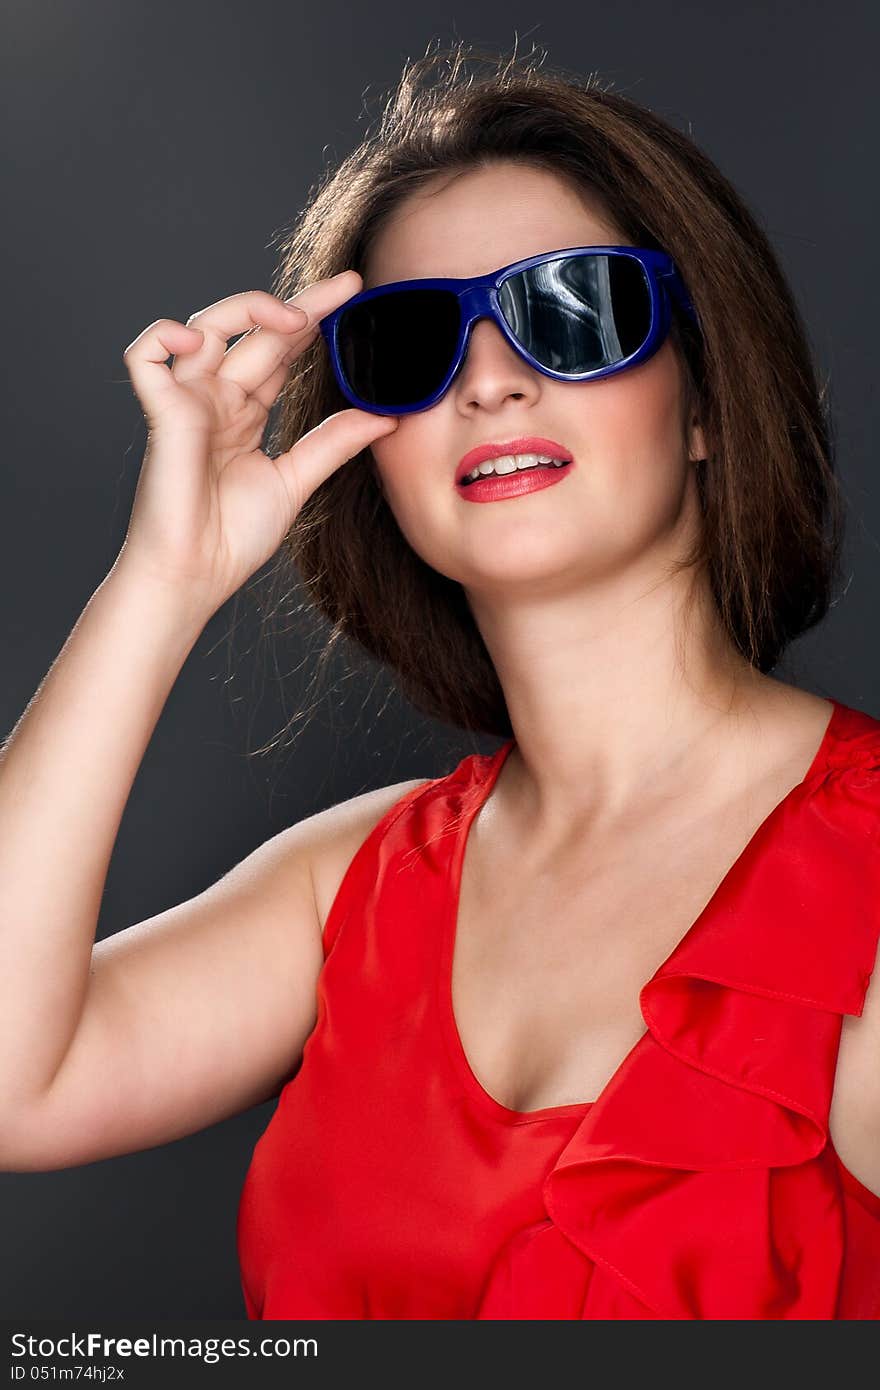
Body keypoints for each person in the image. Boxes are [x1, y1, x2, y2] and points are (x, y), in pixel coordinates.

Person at [1, 42, 878, 1321]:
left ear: (703, 402)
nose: (489, 379)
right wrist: (162, 580)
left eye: (573, 309)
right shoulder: (348, 885)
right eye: (410, 343)